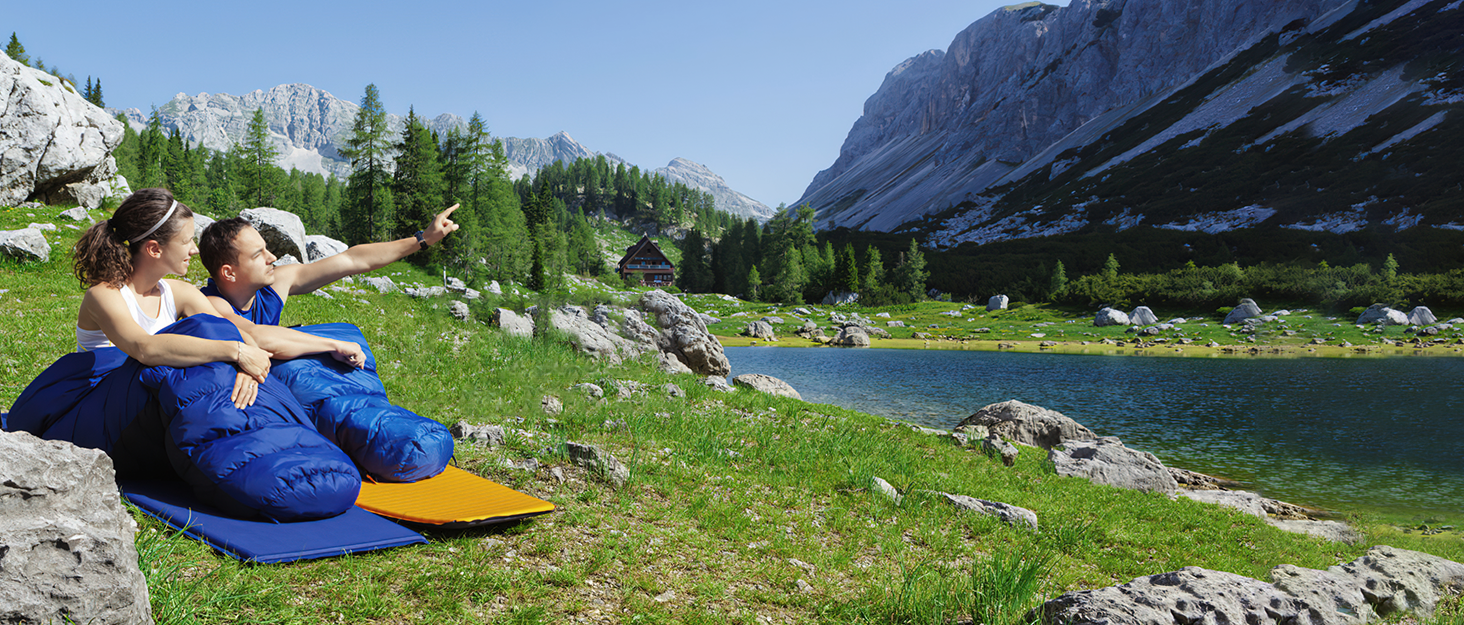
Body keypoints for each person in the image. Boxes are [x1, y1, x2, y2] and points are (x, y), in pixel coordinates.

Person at [72, 188, 272, 409]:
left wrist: (248, 368)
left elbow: (233, 332)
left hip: (147, 402)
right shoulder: (103, 295)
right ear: (155, 249)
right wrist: (236, 352)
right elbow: (144, 348)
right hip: (103, 405)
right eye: (187, 241)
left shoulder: (179, 292)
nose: (195, 249)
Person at [197, 205, 460, 355]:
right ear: (229, 273)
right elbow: (255, 336)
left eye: (267, 248)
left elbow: (351, 261)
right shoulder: (210, 305)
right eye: (259, 254)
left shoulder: (276, 284)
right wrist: (333, 345)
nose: (272, 257)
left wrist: (422, 240)